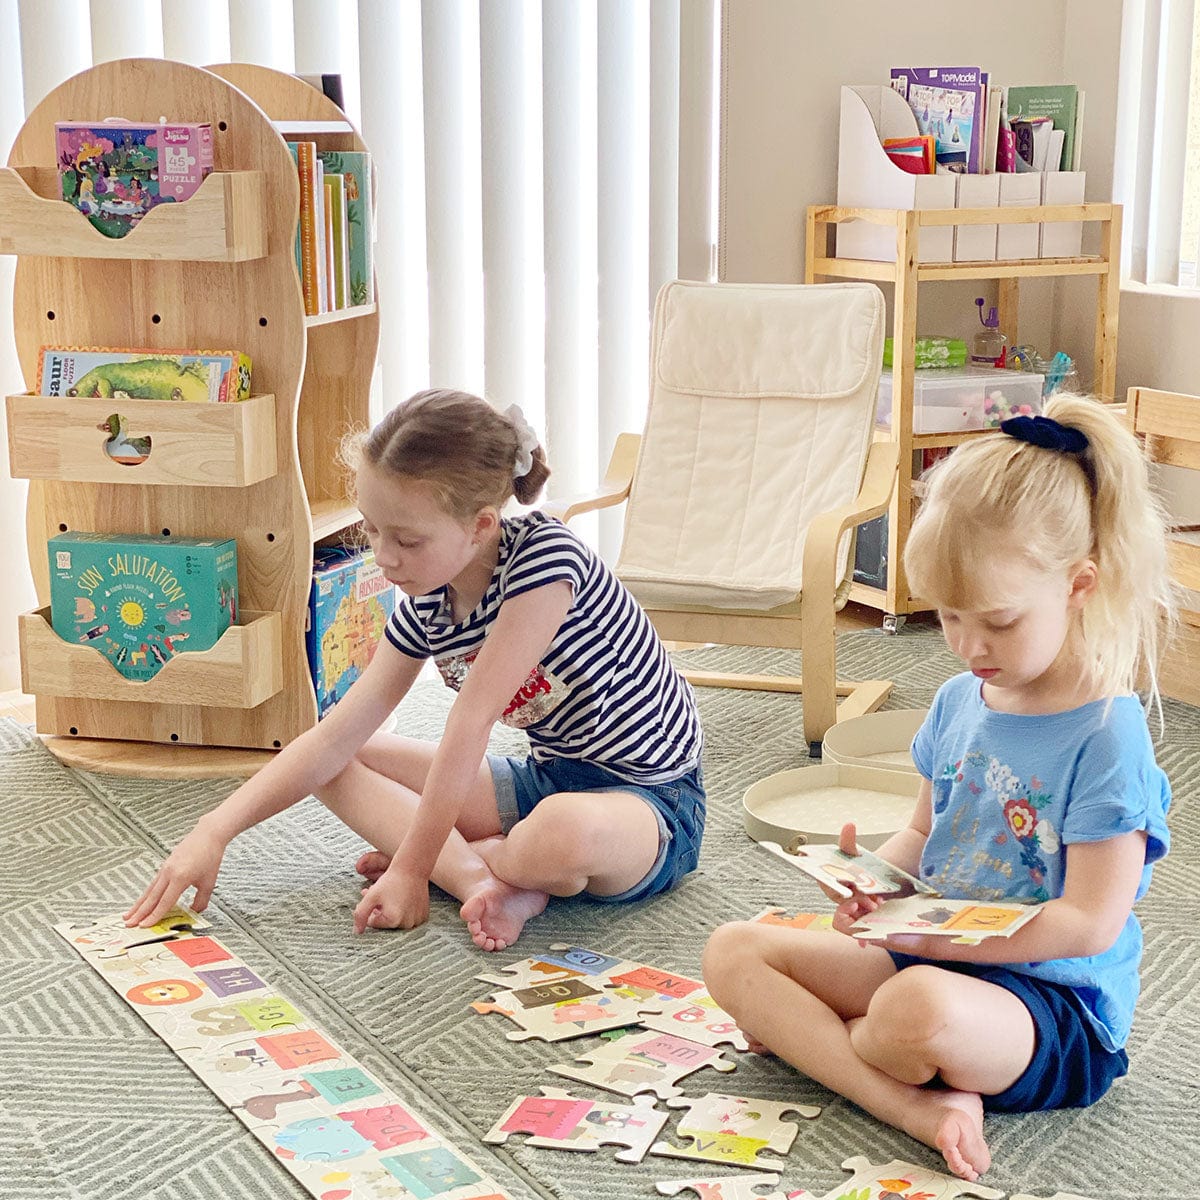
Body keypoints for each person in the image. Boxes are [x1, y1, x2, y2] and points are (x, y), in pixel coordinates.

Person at [702, 396, 1174, 1181]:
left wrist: (940, 944)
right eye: (950, 617)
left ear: (1078, 584)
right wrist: (874, 888)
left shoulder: (1106, 736)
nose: (968, 645)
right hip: (930, 957)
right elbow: (924, 835)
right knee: (733, 951)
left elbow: (1089, 924)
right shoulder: (961, 699)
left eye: (996, 620)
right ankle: (917, 1104)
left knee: (909, 1011)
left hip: (1049, 1005)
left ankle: (828, 1048)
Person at [126, 389, 705, 951]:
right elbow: (335, 735)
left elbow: (470, 722)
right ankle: (480, 881)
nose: (383, 557)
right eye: (372, 529)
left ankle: (490, 859)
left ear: (480, 525)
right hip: (547, 778)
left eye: (406, 539)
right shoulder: (428, 601)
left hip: (653, 801)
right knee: (334, 758)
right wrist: (212, 830)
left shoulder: (546, 562)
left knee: (561, 834)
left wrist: (409, 863)